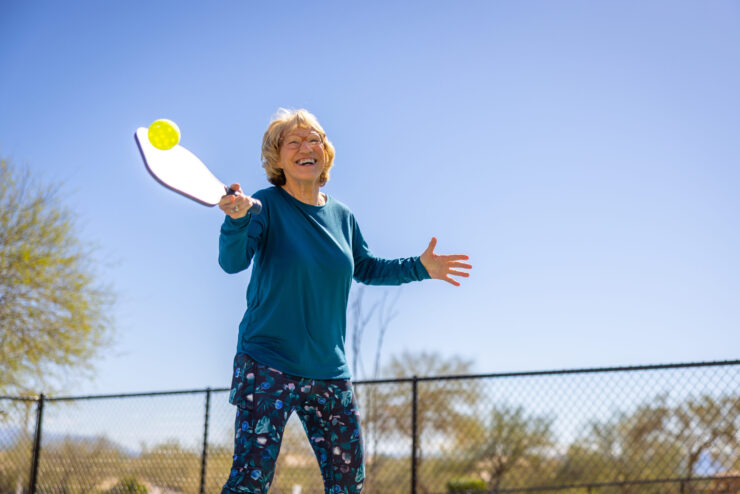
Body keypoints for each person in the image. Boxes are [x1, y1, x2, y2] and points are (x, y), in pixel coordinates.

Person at [217, 108, 471, 494]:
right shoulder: (264, 206)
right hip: (266, 364)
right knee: (250, 482)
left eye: (313, 139)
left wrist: (419, 267)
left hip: (329, 371)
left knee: (348, 484)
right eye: (293, 142)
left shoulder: (343, 216)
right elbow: (232, 262)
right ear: (277, 157)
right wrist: (236, 220)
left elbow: (366, 267)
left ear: (325, 152)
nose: (306, 147)